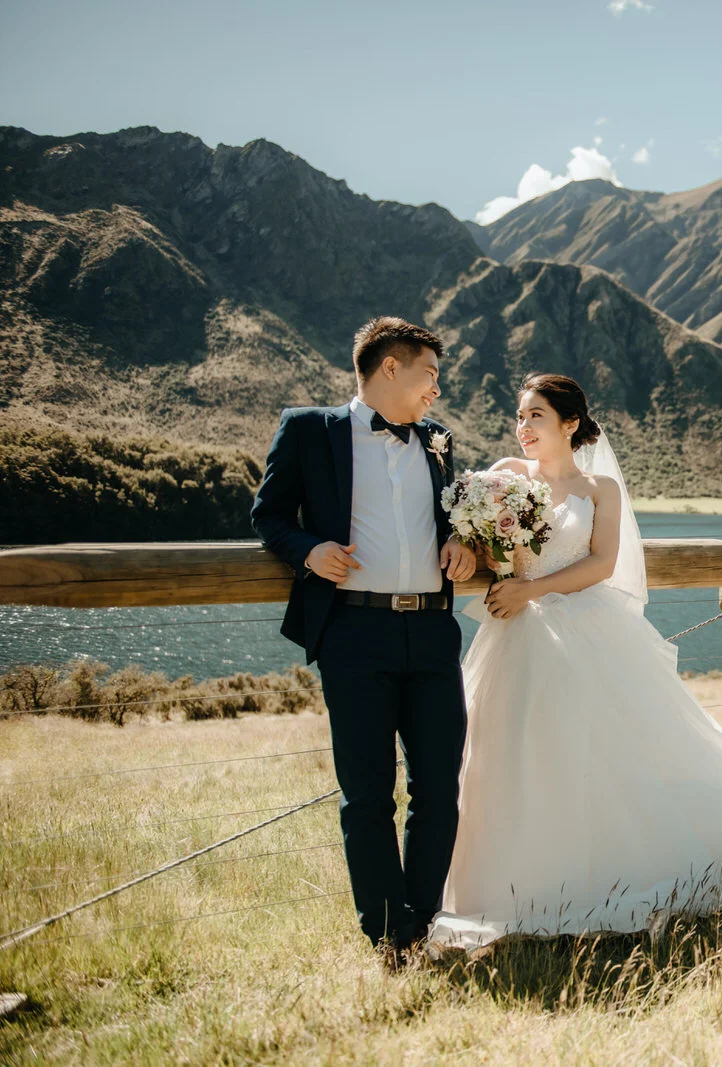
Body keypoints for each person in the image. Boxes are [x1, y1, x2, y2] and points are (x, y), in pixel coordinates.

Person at [428, 373, 722, 950]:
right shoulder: (502, 476)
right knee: (501, 753)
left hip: (582, 630)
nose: (523, 428)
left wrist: (531, 591)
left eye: (535, 416)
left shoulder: (600, 489)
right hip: (514, 636)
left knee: (601, 755)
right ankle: (496, 890)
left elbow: (603, 564)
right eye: (520, 416)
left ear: (570, 423)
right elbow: (467, 533)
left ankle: (597, 877)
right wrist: (465, 546)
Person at [250, 317, 477, 963]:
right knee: (367, 793)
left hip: (433, 632)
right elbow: (268, 514)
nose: (436, 387)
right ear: (389, 369)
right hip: (353, 631)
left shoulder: (437, 440)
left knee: (439, 785)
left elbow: (449, 519)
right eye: (429, 372)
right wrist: (308, 549)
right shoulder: (308, 430)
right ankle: (388, 934)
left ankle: (425, 921)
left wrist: (461, 540)